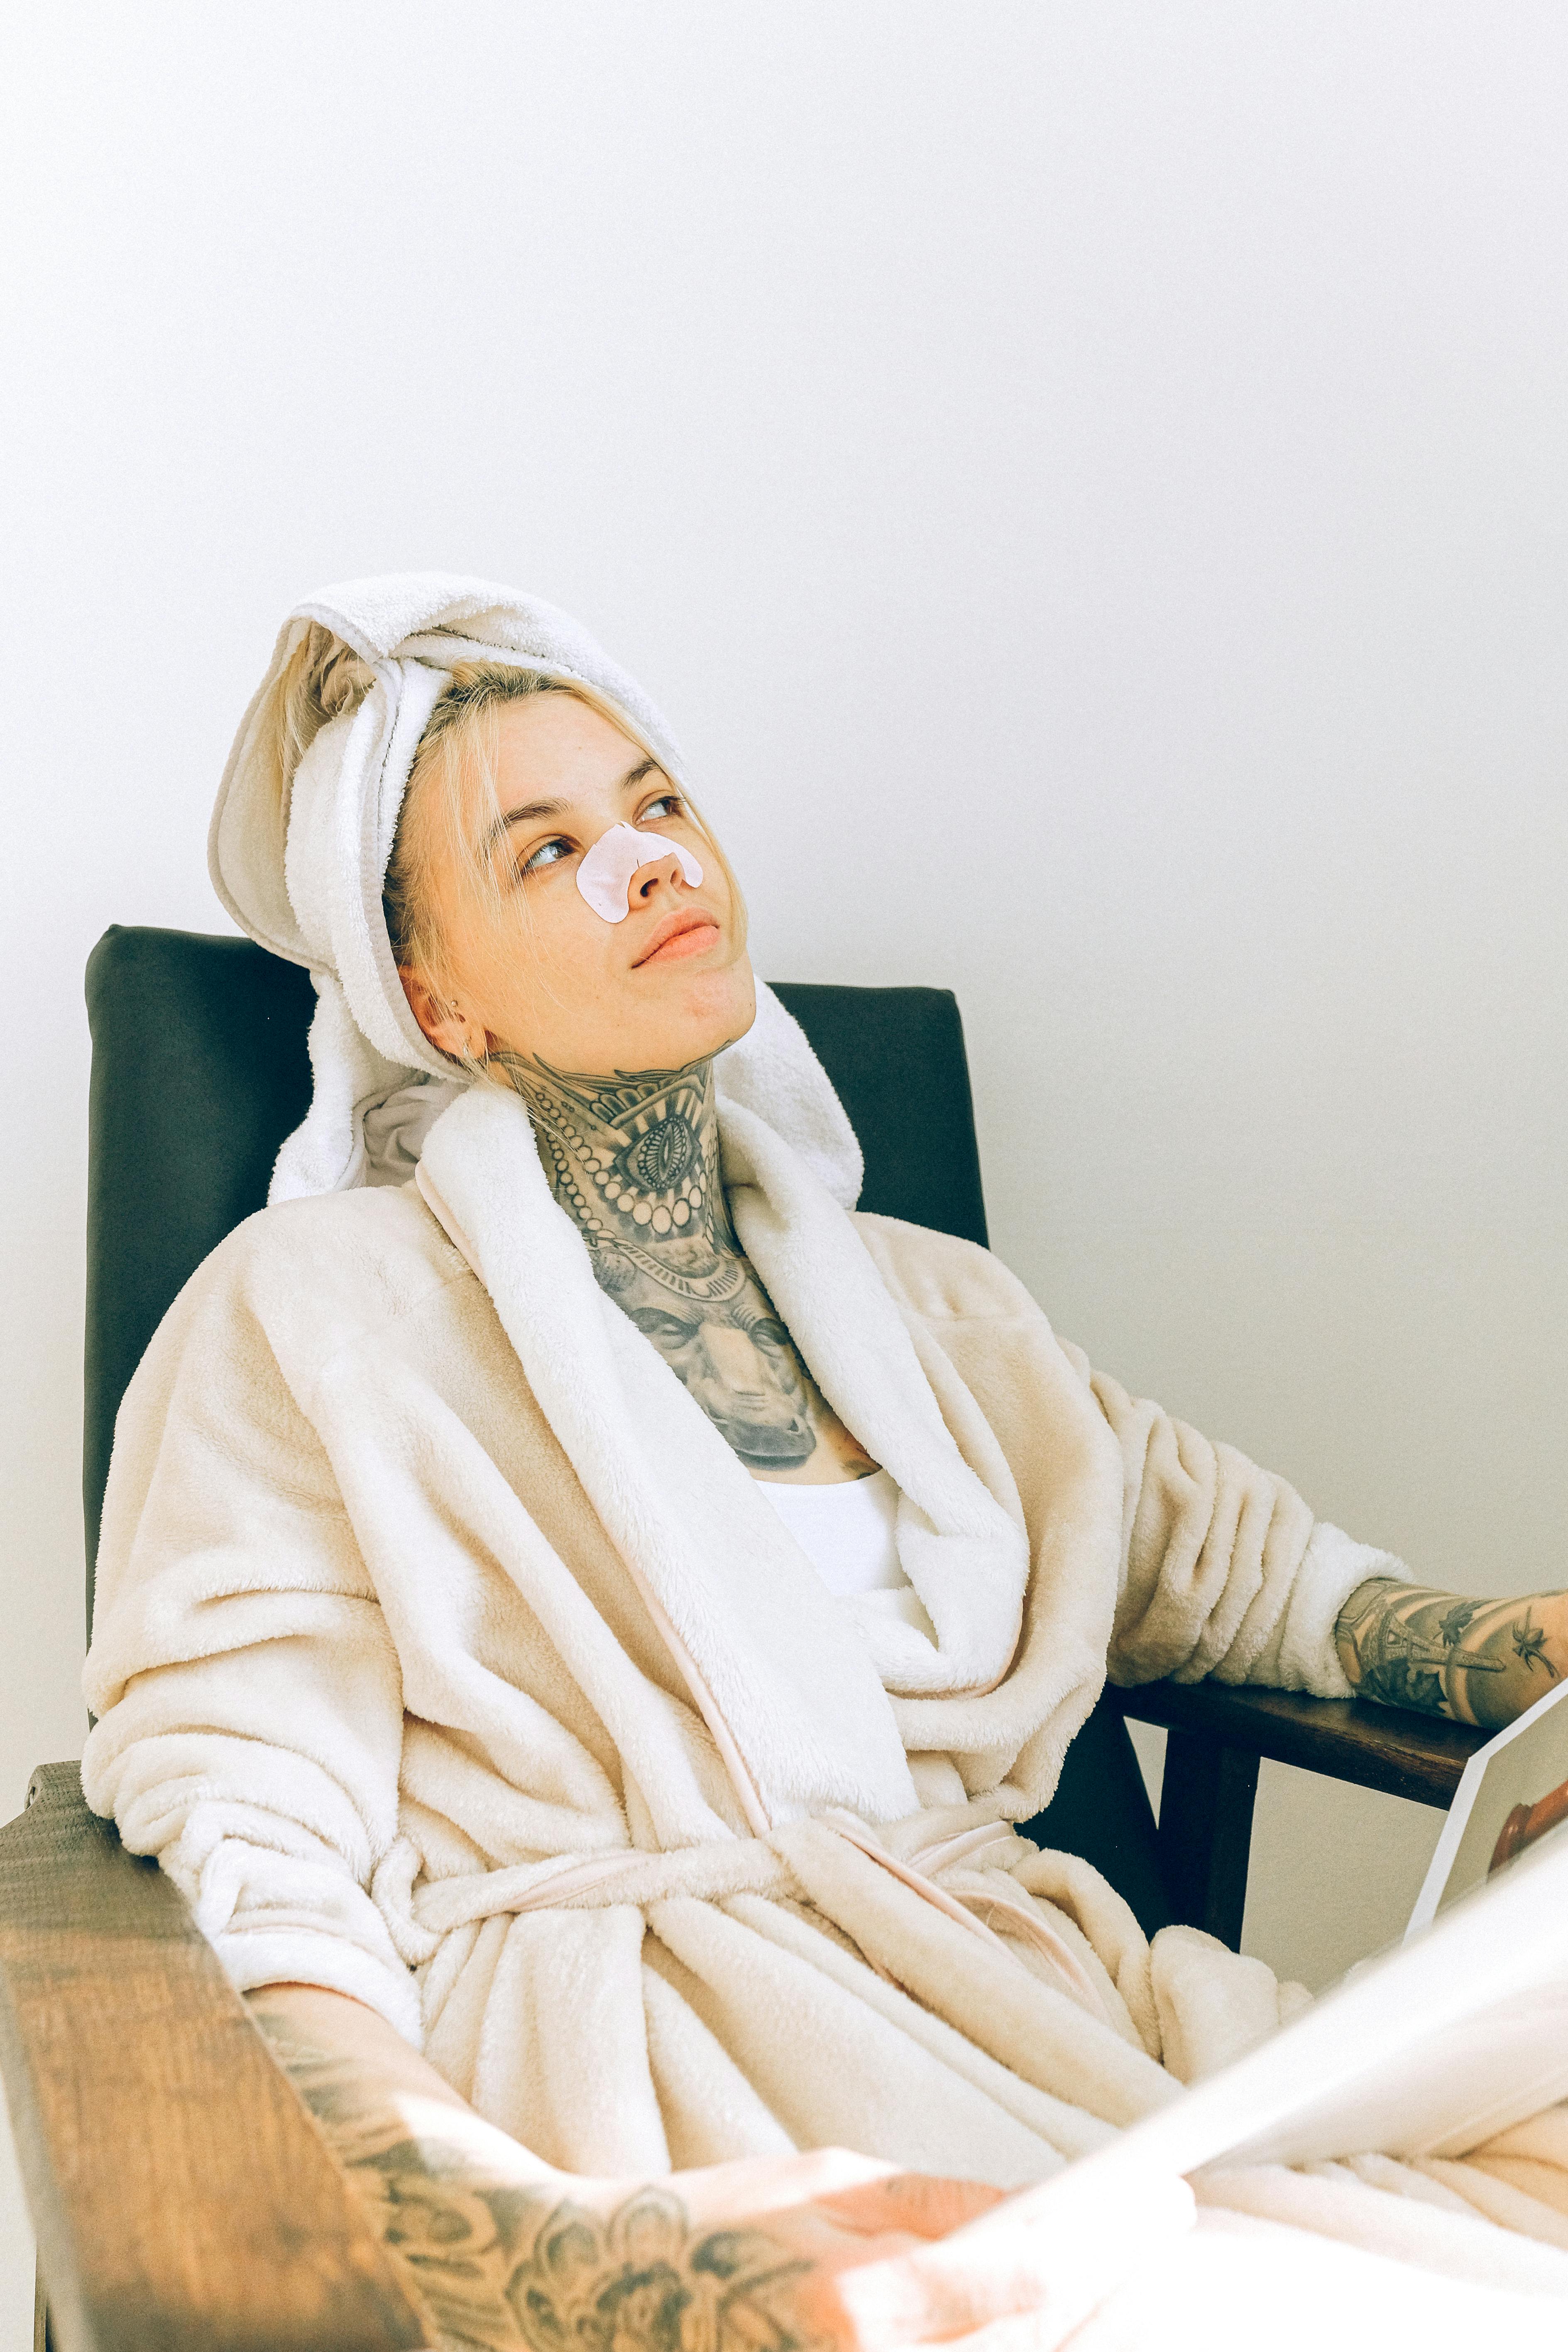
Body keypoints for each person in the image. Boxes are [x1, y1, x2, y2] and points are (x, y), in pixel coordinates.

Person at [81, 578, 1568, 2348]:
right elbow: (248, 1825)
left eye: (658, 804)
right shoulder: (319, 1310)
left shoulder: (931, 1307)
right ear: (434, 1000)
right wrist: (479, 2211)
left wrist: (1521, 1656)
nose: (646, 862)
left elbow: (1244, 1573)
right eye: (546, 852)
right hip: (651, 2083)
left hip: (1038, 2013)